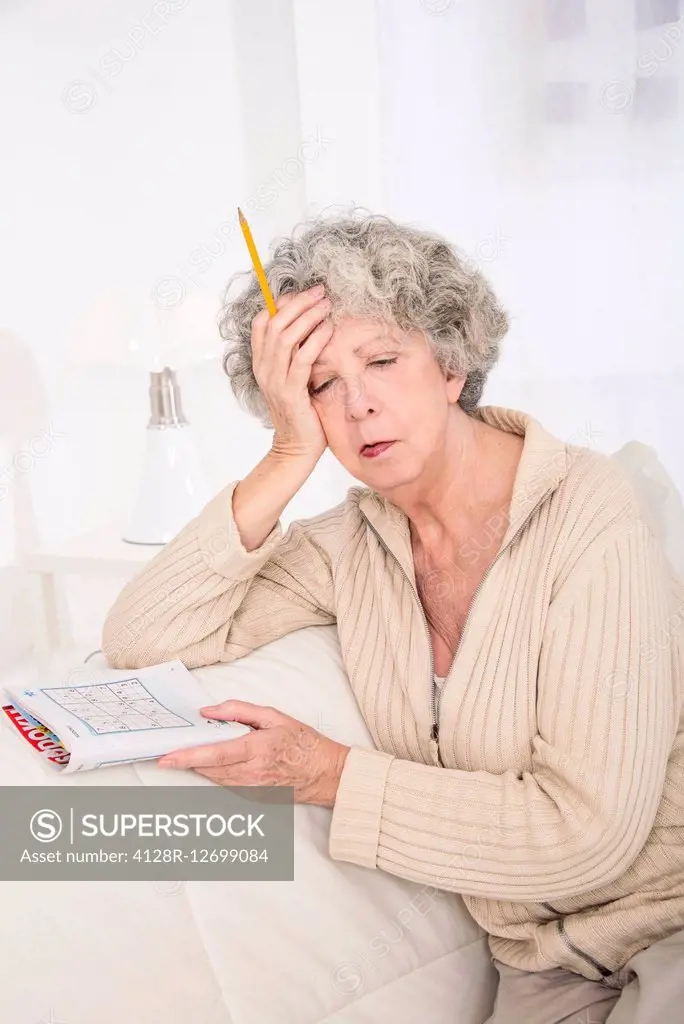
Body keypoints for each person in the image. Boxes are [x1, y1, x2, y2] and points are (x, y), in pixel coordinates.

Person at [102, 211, 684, 1023]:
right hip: (539, 968)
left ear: (450, 364)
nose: (359, 405)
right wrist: (287, 456)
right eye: (319, 385)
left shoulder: (591, 514)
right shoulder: (349, 547)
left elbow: (587, 835)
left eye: (381, 360)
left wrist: (332, 775)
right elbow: (140, 636)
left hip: (669, 935)